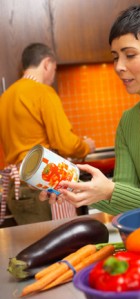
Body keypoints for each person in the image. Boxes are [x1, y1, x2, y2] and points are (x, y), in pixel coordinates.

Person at [39, 4, 140, 215]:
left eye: (130, 55)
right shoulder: (128, 122)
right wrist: (74, 189)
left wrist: (110, 191)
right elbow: (124, 198)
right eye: (115, 57)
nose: (119, 66)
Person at [0, 43, 95, 225]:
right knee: (61, 245)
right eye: (54, 68)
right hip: (41, 184)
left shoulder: (6, 96)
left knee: (35, 248)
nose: (53, 75)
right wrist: (86, 147)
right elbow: (66, 143)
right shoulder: (43, 92)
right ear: (46, 64)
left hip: (15, 186)